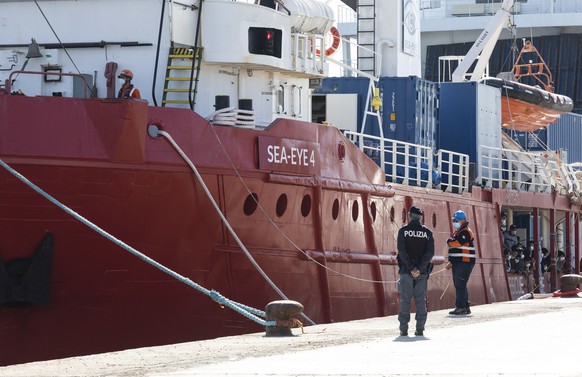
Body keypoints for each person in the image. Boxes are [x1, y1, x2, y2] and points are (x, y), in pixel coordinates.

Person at [396, 205, 435, 337]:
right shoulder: (428, 233)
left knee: (405, 299)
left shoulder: (403, 231)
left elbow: (402, 251)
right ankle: (420, 329)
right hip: (422, 273)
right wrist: (419, 269)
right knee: (420, 300)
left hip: (406, 272)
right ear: (420, 218)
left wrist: (411, 268)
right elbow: (430, 253)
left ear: (409, 216)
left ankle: (403, 329)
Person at [446, 210, 476, 315]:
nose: (454, 222)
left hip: (465, 262)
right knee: (461, 284)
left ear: (462, 220)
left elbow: (457, 244)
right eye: (454, 220)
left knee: (460, 284)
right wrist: (452, 262)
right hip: (460, 262)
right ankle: (465, 306)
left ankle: (461, 306)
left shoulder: (465, 232)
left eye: (456, 220)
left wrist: (449, 242)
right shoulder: (459, 231)